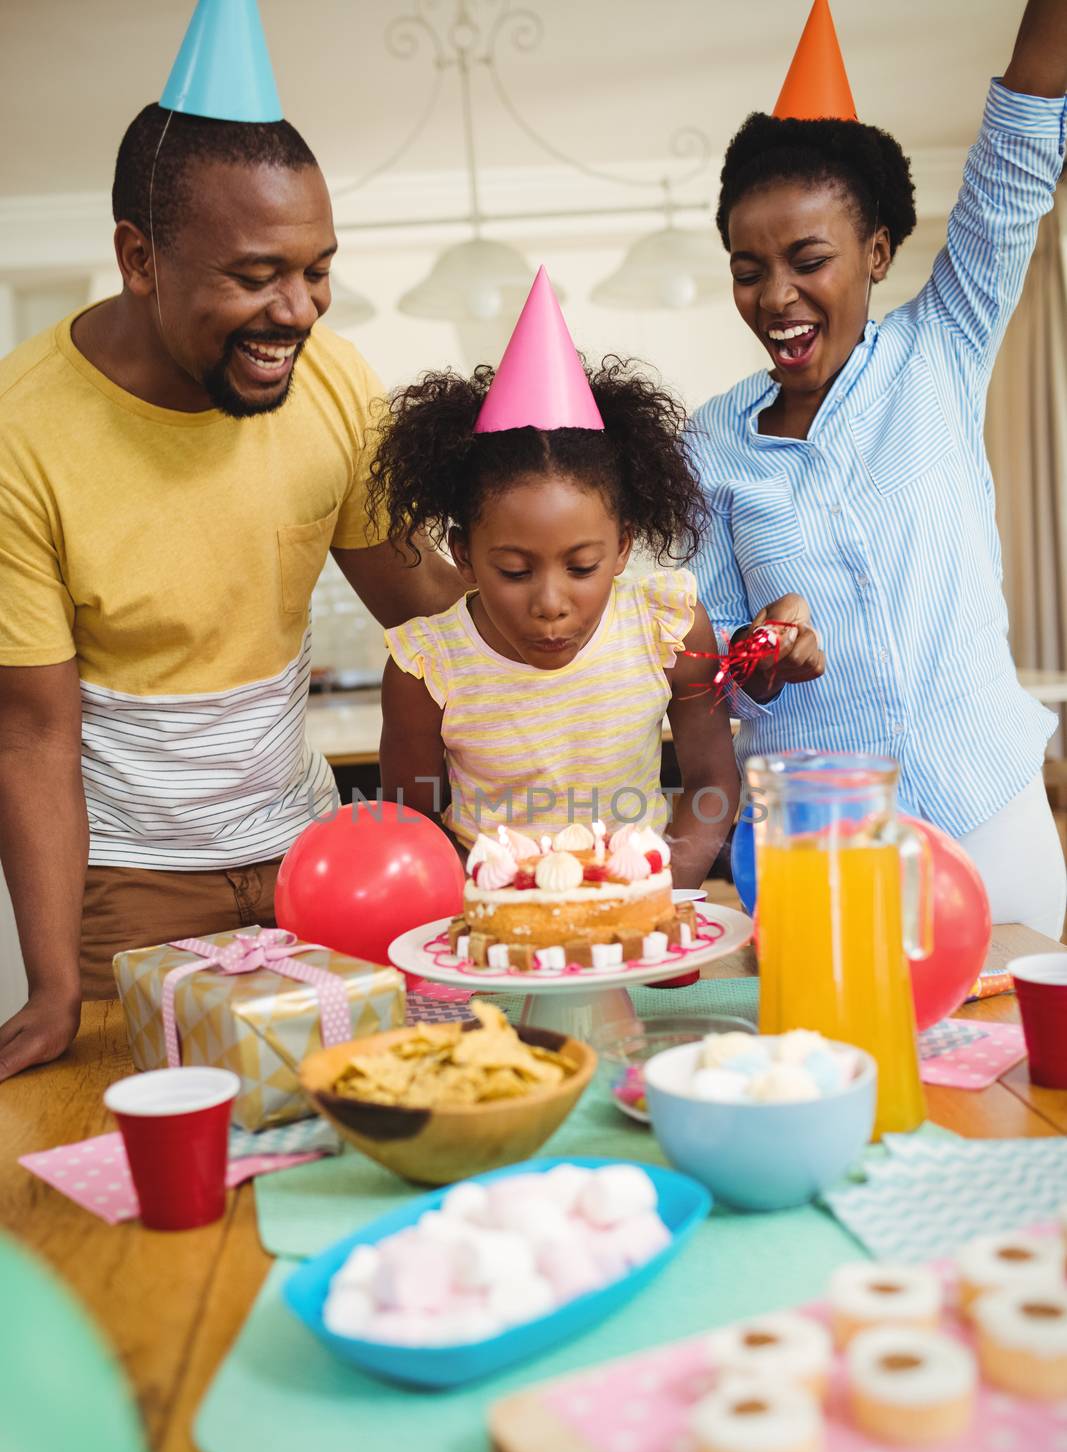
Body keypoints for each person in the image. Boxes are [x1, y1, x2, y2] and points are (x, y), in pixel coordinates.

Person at [0, 102, 464, 1082]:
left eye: (316, 270)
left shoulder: (333, 385)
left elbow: (424, 609)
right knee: (164, 1152)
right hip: (133, 879)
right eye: (255, 276)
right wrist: (49, 990)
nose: (297, 309)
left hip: (310, 853)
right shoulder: (21, 434)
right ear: (140, 258)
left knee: (353, 1105)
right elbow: (31, 736)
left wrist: (561, 595)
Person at [689, 0, 1067, 936]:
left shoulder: (941, 347)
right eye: (747, 267)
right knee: (832, 1061)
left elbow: (1020, 140)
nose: (775, 295)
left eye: (806, 259)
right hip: (820, 840)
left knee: (1021, 1072)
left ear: (877, 252)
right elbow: (706, 662)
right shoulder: (706, 447)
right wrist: (760, 655)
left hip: (992, 811)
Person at [374, 271, 746, 889]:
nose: (551, 604)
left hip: (642, 911)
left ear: (624, 545)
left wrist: (663, 888)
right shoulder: (425, 668)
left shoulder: (666, 628)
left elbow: (711, 783)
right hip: (500, 932)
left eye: (582, 567)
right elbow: (411, 824)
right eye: (515, 571)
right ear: (464, 555)